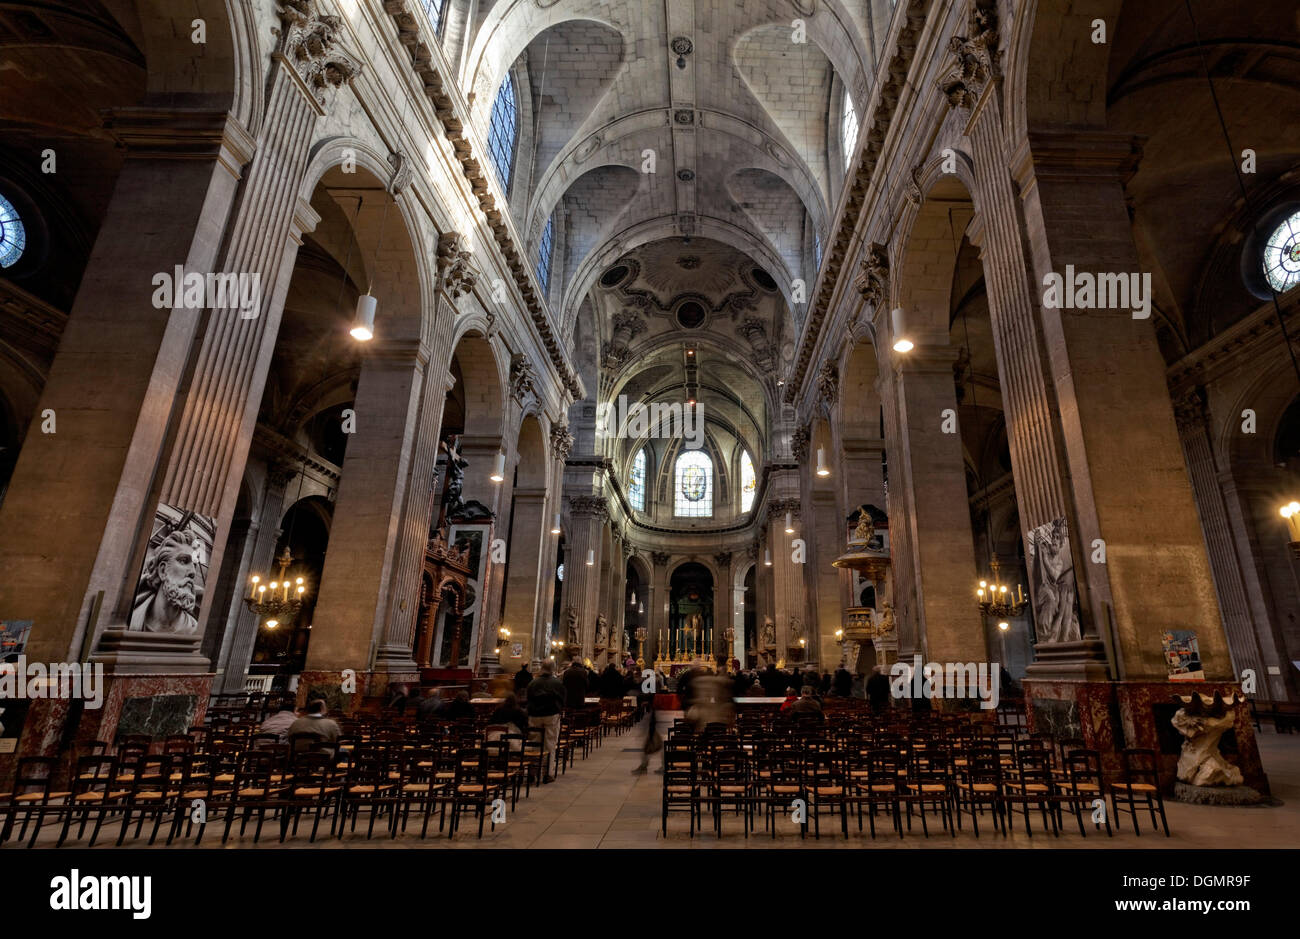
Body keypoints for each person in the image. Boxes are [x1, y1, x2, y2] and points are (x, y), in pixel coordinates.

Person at [526, 660, 566, 783]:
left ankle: (532, 772)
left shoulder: (533, 683)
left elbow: (528, 698)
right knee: (550, 743)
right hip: (551, 715)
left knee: (534, 743)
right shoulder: (557, 683)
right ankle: (547, 773)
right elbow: (563, 699)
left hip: (534, 715)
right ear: (553, 669)